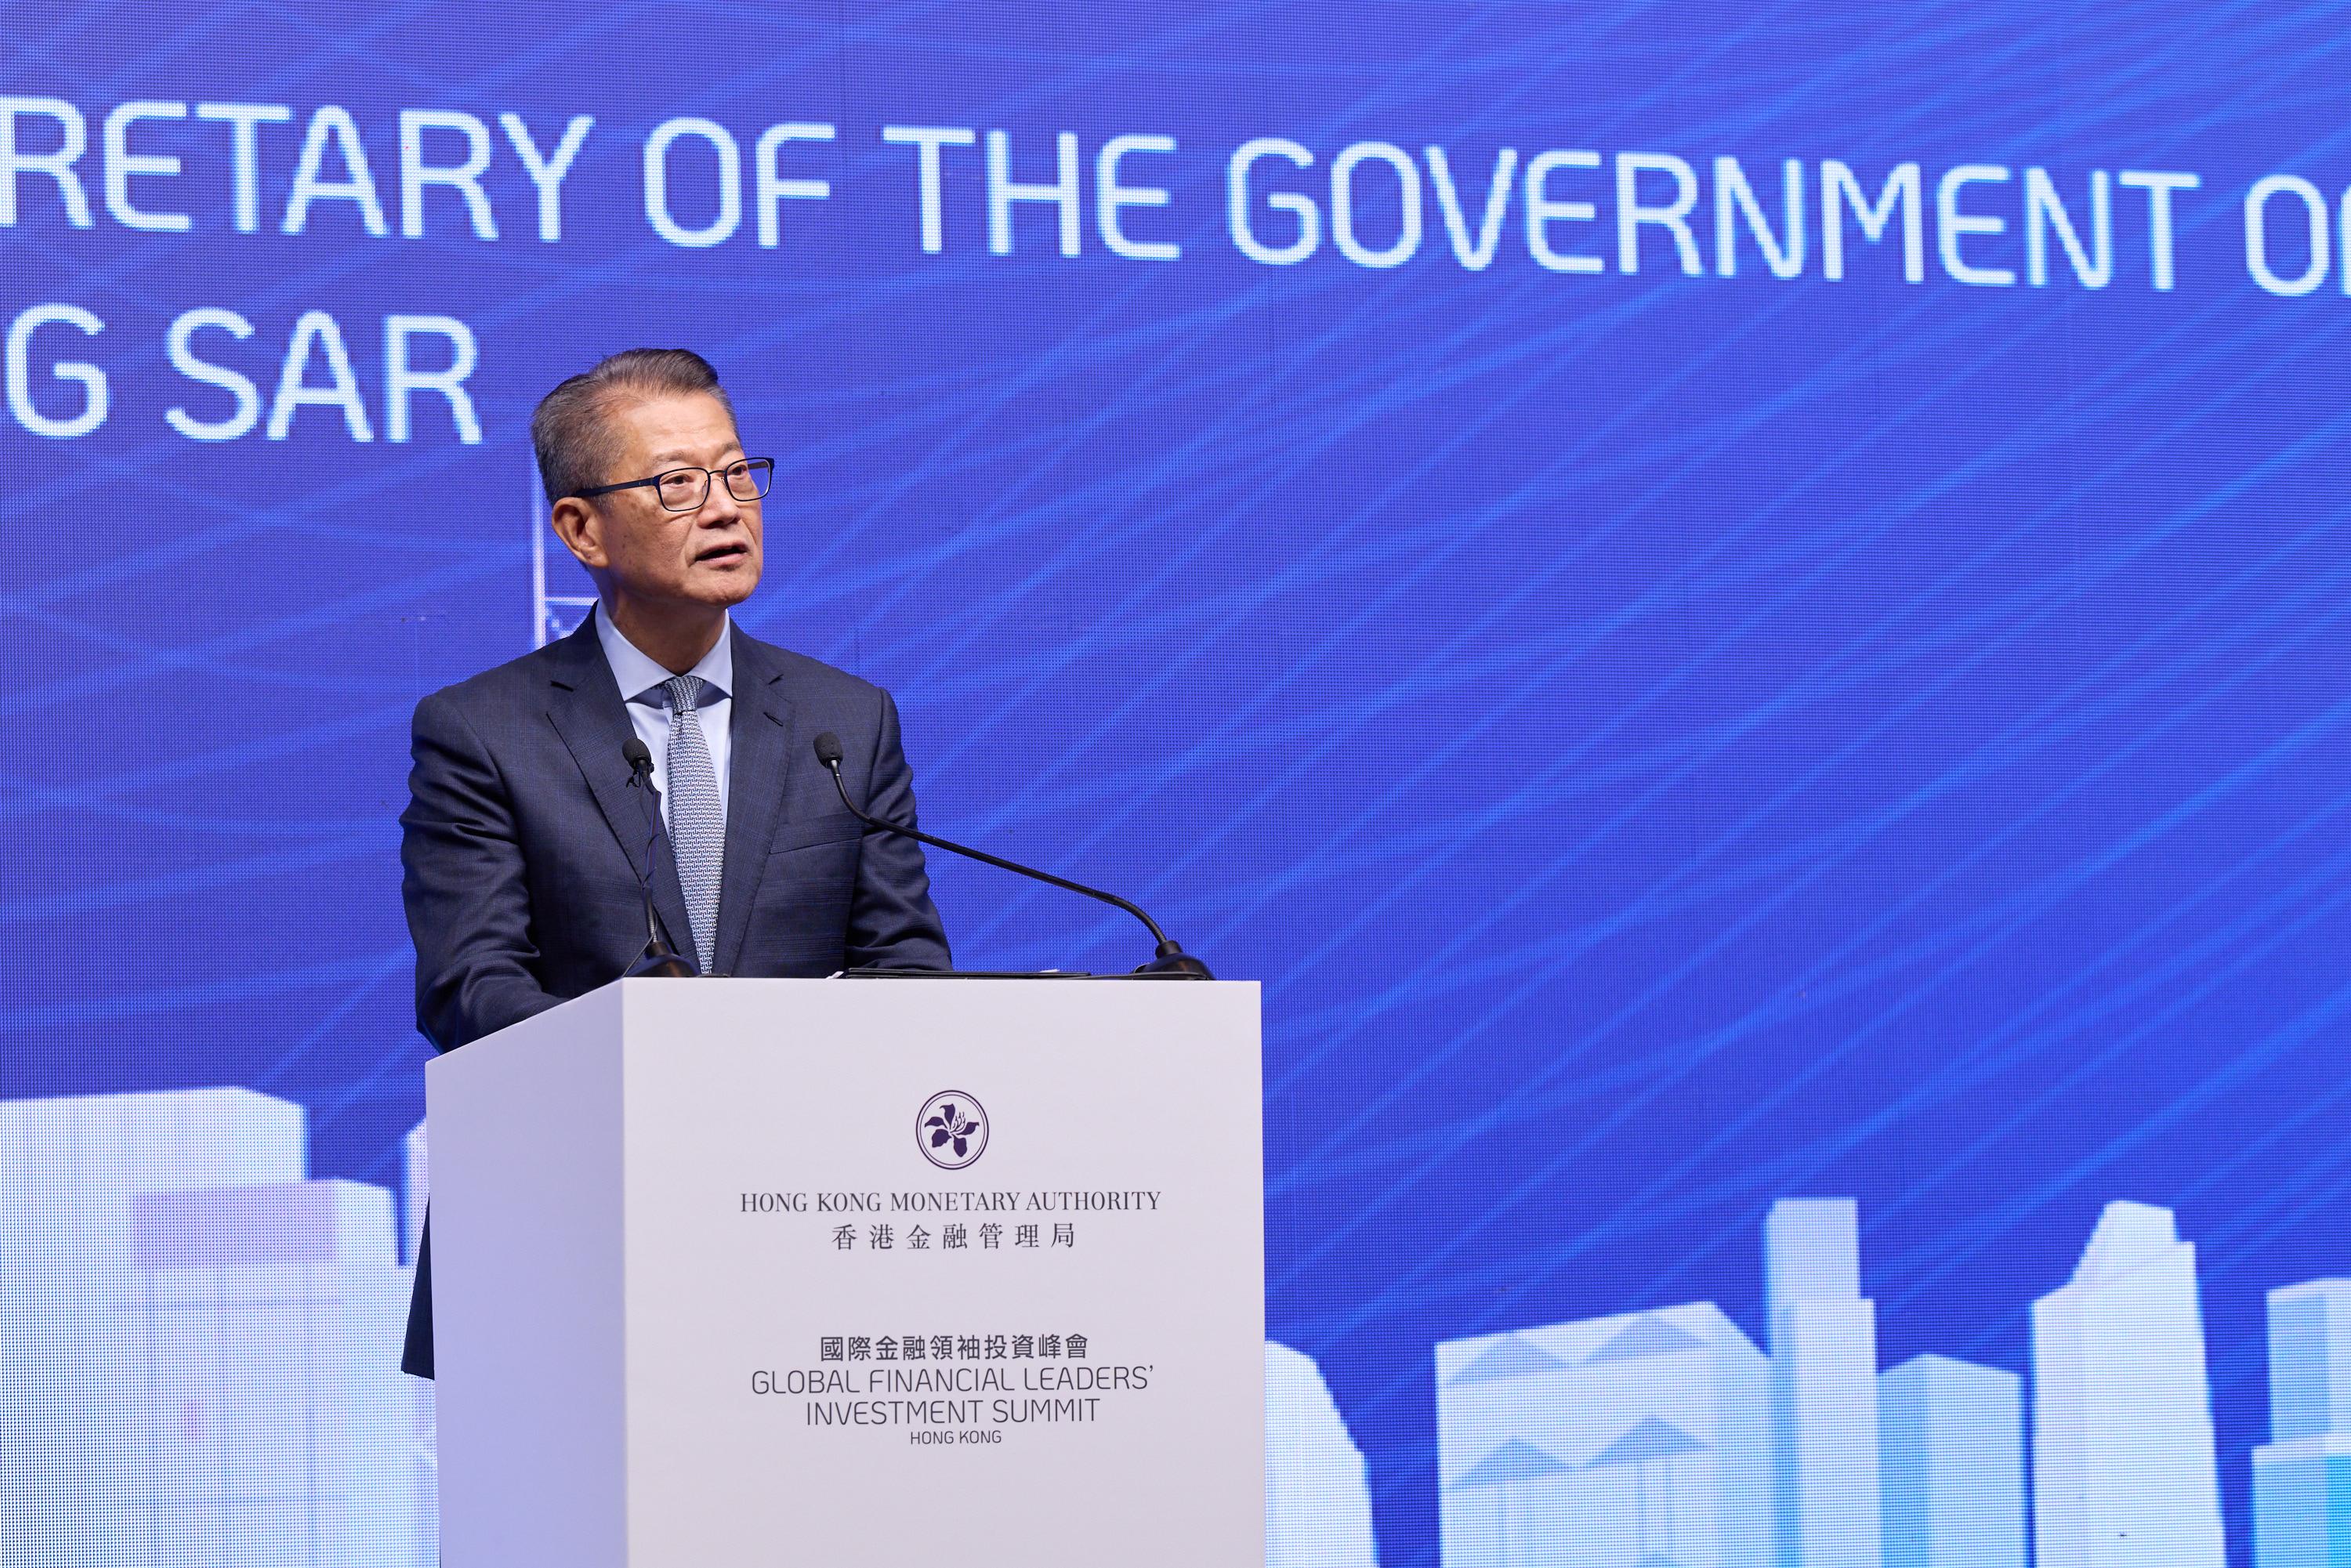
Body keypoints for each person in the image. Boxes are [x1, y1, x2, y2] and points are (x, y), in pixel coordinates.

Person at [397, 348, 951, 1378]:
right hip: (562, 1233)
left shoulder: (846, 722)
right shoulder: (482, 730)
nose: (726, 508)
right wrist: (665, 1060)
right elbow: (469, 990)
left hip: (808, 1235)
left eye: (740, 474)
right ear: (581, 528)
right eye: (675, 483)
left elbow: (907, 971)